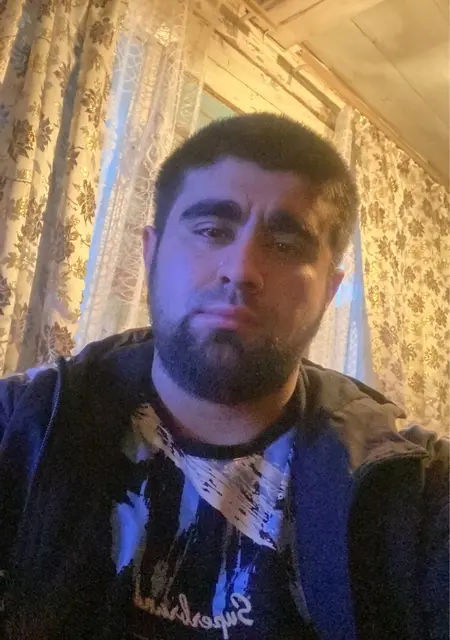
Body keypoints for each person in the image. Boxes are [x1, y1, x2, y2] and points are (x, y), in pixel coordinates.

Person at [0, 113, 447, 640]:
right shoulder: (22, 424)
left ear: (329, 289)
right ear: (151, 253)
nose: (241, 270)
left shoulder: (413, 487)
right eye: (212, 230)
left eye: (286, 245)